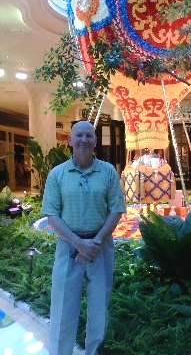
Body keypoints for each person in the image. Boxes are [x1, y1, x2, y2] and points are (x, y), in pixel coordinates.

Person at [42, 121, 126, 355]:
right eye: (79, 135)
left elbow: (116, 209)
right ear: (70, 140)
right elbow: (51, 215)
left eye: (89, 135)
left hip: (101, 247)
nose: (84, 140)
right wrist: (80, 244)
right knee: (62, 310)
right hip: (69, 247)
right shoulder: (57, 174)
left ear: (95, 141)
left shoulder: (108, 171)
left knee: (99, 310)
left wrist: (95, 243)